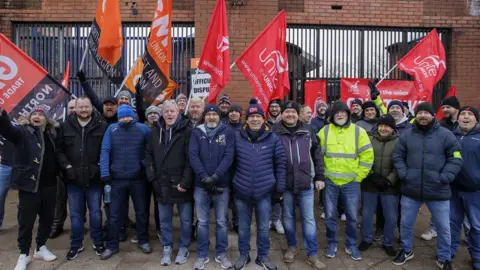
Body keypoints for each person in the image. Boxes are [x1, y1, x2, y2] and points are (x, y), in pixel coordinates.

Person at [392, 102, 462, 270]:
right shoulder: (407, 135)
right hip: (411, 189)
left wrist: (445, 177)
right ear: (416, 115)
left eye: (426, 112)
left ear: (432, 115)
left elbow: (456, 157)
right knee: (406, 224)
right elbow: (397, 156)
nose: (423, 116)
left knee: (444, 228)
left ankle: (444, 258)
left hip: (438, 189)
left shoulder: (446, 135)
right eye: (420, 113)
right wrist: (404, 174)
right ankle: (406, 250)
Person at [0, 105, 59, 270]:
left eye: (41, 115)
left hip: (50, 184)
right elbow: (7, 130)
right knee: (26, 220)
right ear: (29, 118)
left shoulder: (52, 133)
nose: (37, 117)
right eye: (34, 114)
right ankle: (24, 254)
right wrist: (2, 115)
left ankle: (40, 247)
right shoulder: (22, 132)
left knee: (47, 219)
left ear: (46, 119)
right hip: (29, 185)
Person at [233, 98, 286, 270]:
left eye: (258, 116)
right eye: (251, 116)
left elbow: (281, 164)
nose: (255, 119)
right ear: (246, 120)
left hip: (265, 193)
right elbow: (230, 163)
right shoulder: (237, 138)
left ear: (264, 119)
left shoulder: (273, 138)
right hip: (242, 192)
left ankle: (262, 257)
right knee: (243, 228)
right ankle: (244, 255)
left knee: (263, 228)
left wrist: (279, 189)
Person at [272, 101, 326, 270]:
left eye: (293, 112)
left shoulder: (309, 130)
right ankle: (292, 247)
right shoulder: (275, 132)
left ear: (298, 114)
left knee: (309, 219)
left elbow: (317, 155)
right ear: (282, 114)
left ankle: (312, 254)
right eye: (287, 112)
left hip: (306, 183)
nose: (290, 115)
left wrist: (319, 176)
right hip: (285, 183)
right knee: (287, 218)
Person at [318, 101, 374, 261]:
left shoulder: (359, 131)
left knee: (352, 217)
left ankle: (351, 245)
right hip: (330, 182)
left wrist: (359, 176)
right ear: (332, 116)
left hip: (351, 183)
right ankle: (332, 243)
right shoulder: (325, 131)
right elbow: (318, 156)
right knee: (329, 216)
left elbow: (367, 155)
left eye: (343, 112)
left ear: (348, 114)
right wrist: (322, 177)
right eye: (337, 113)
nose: (340, 115)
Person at [55, 96, 108, 260]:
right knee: (76, 214)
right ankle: (76, 244)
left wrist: (99, 167)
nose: (84, 110)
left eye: (86, 107)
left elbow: (106, 150)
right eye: (81, 107)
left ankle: (98, 241)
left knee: (96, 213)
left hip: (94, 179)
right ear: (75, 108)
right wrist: (67, 167)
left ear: (91, 107)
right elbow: (59, 150)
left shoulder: (102, 126)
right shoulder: (65, 127)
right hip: (73, 180)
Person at [99, 105, 152, 260]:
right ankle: (112, 245)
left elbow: (150, 150)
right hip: (116, 180)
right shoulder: (111, 129)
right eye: (122, 117)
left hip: (138, 180)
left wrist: (144, 166)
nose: (125, 119)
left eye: (127, 116)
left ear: (133, 116)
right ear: (118, 117)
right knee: (114, 214)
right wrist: (105, 173)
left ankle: (143, 240)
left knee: (141, 212)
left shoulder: (143, 129)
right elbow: (105, 151)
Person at [145, 100, 193, 266]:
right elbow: (148, 156)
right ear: (162, 113)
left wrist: (186, 181)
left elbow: (190, 159)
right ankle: (166, 246)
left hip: (181, 185)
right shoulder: (154, 132)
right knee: (164, 220)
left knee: (185, 220)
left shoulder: (187, 131)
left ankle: (184, 247)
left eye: (173, 111)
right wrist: (152, 177)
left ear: (178, 112)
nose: (170, 114)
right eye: (166, 111)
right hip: (161, 184)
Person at [189, 105, 235, 270]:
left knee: (222, 222)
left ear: (218, 116)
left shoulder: (227, 132)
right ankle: (202, 255)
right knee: (202, 222)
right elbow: (193, 155)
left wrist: (215, 176)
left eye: (214, 114)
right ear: (204, 116)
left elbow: (229, 156)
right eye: (208, 114)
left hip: (221, 184)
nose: (211, 117)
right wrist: (203, 176)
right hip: (201, 185)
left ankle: (221, 253)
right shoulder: (196, 132)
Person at [358, 114, 399, 257]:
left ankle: (388, 243)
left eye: (387, 126)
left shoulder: (399, 142)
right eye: (381, 125)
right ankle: (366, 239)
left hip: (390, 185)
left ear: (392, 128)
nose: (384, 128)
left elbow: (401, 164)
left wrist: (389, 180)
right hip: (370, 183)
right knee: (367, 214)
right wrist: (371, 175)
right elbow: (361, 158)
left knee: (391, 216)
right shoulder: (368, 139)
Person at [450, 106, 480, 269]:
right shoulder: (450, 136)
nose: (466, 117)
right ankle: (449, 252)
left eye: (470, 114)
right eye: (463, 114)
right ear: (458, 118)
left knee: (476, 226)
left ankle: (477, 256)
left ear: (476, 119)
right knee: (453, 223)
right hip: (453, 190)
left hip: (475, 192)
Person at [50, 98, 77, 239]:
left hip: (78, 170)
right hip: (61, 169)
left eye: (75, 107)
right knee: (59, 199)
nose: (73, 110)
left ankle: (79, 225)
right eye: (71, 108)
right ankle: (57, 225)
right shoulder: (59, 126)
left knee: (78, 200)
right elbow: (57, 148)